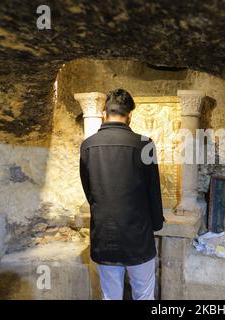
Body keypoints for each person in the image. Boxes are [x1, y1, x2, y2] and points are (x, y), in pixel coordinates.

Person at [79, 88, 164, 300]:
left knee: (110, 296)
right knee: (143, 295)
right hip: (138, 235)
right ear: (130, 116)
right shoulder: (145, 144)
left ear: (104, 114)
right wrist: (156, 224)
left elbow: (89, 191)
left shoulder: (88, 146)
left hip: (105, 236)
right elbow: (153, 191)